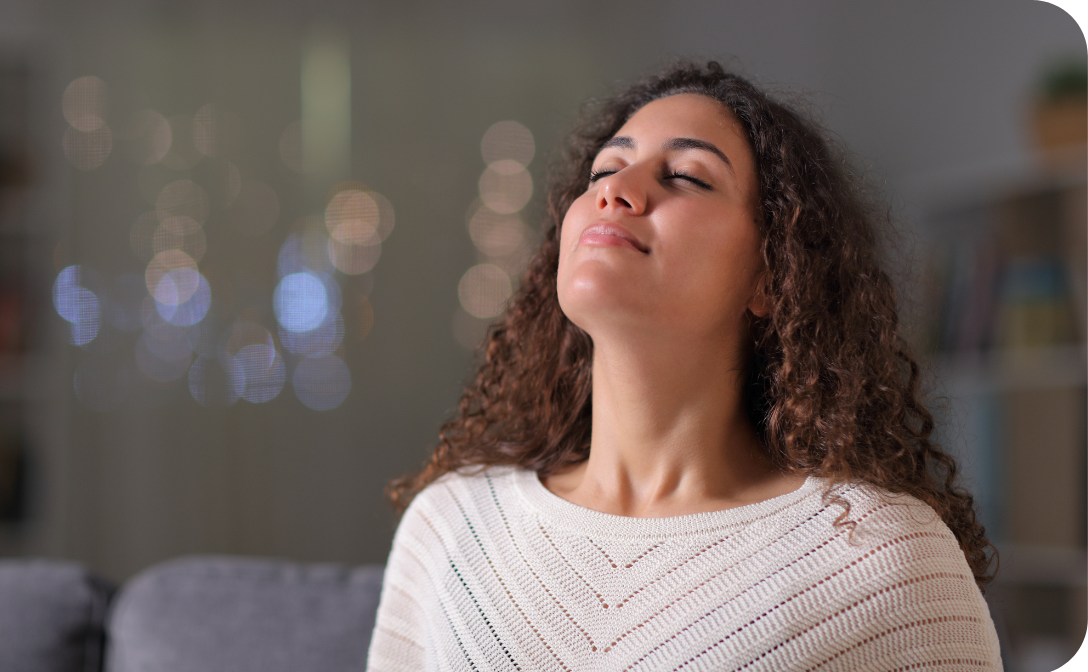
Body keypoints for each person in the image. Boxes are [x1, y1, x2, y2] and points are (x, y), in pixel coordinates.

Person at [366, 61, 1002, 671]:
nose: (617, 188)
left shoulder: (881, 556)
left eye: (688, 177)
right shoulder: (452, 527)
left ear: (773, 275)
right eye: (605, 169)